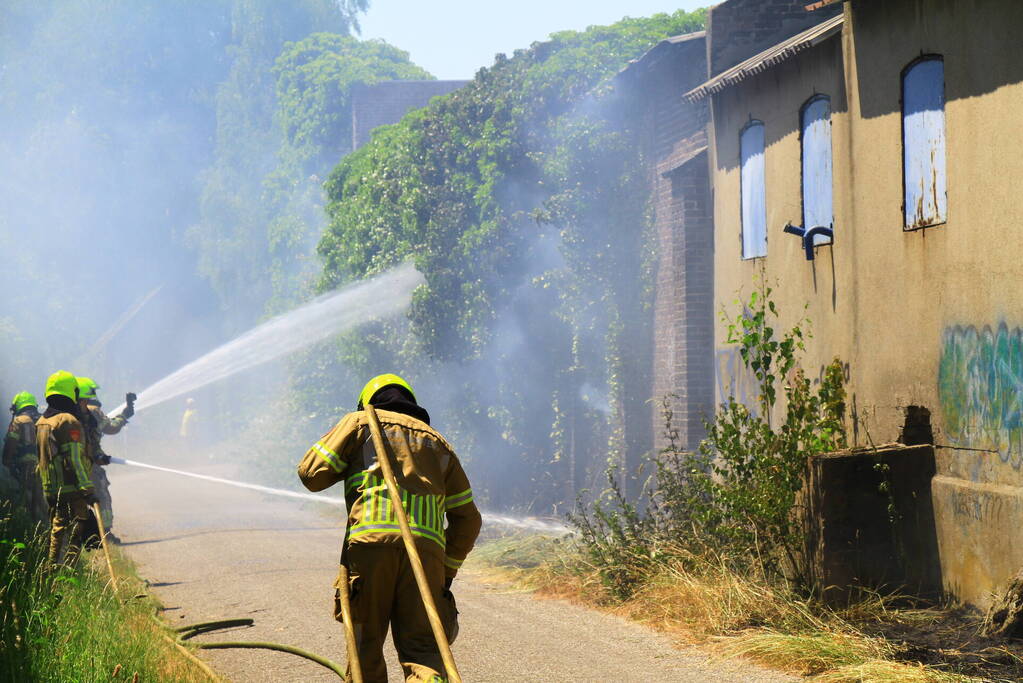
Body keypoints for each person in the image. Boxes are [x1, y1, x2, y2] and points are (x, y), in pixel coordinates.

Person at [298, 374, 482, 683]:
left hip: (371, 550)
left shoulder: (359, 423)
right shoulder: (438, 443)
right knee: (424, 650)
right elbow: (469, 520)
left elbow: (311, 474)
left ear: (366, 401)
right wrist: (445, 571)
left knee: (365, 648)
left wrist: (346, 445)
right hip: (425, 560)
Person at [36, 370, 94, 567]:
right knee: (75, 530)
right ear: (72, 392)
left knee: (57, 528)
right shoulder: (67, 421)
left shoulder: (42, 421)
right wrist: (87, 489)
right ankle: (68, 572)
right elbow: (75, 459)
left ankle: (52, 571)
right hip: (70, 488)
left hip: (51, 488)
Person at [75, 377, 132, 542]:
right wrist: (125, 414)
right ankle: (105, 535)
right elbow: (111, 428)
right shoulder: (93, 411)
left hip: (71, 464)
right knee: (101, 497)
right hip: (90, 465)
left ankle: (79, 536)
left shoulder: (67, 413)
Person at [2, 391, 47, 522]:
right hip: (47, 468)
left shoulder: (19, 421)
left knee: (28, 502)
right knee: (45, 502)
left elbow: (10, 446)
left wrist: (7, 462)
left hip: (26, 469)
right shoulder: (45, 420)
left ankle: (35, 531)